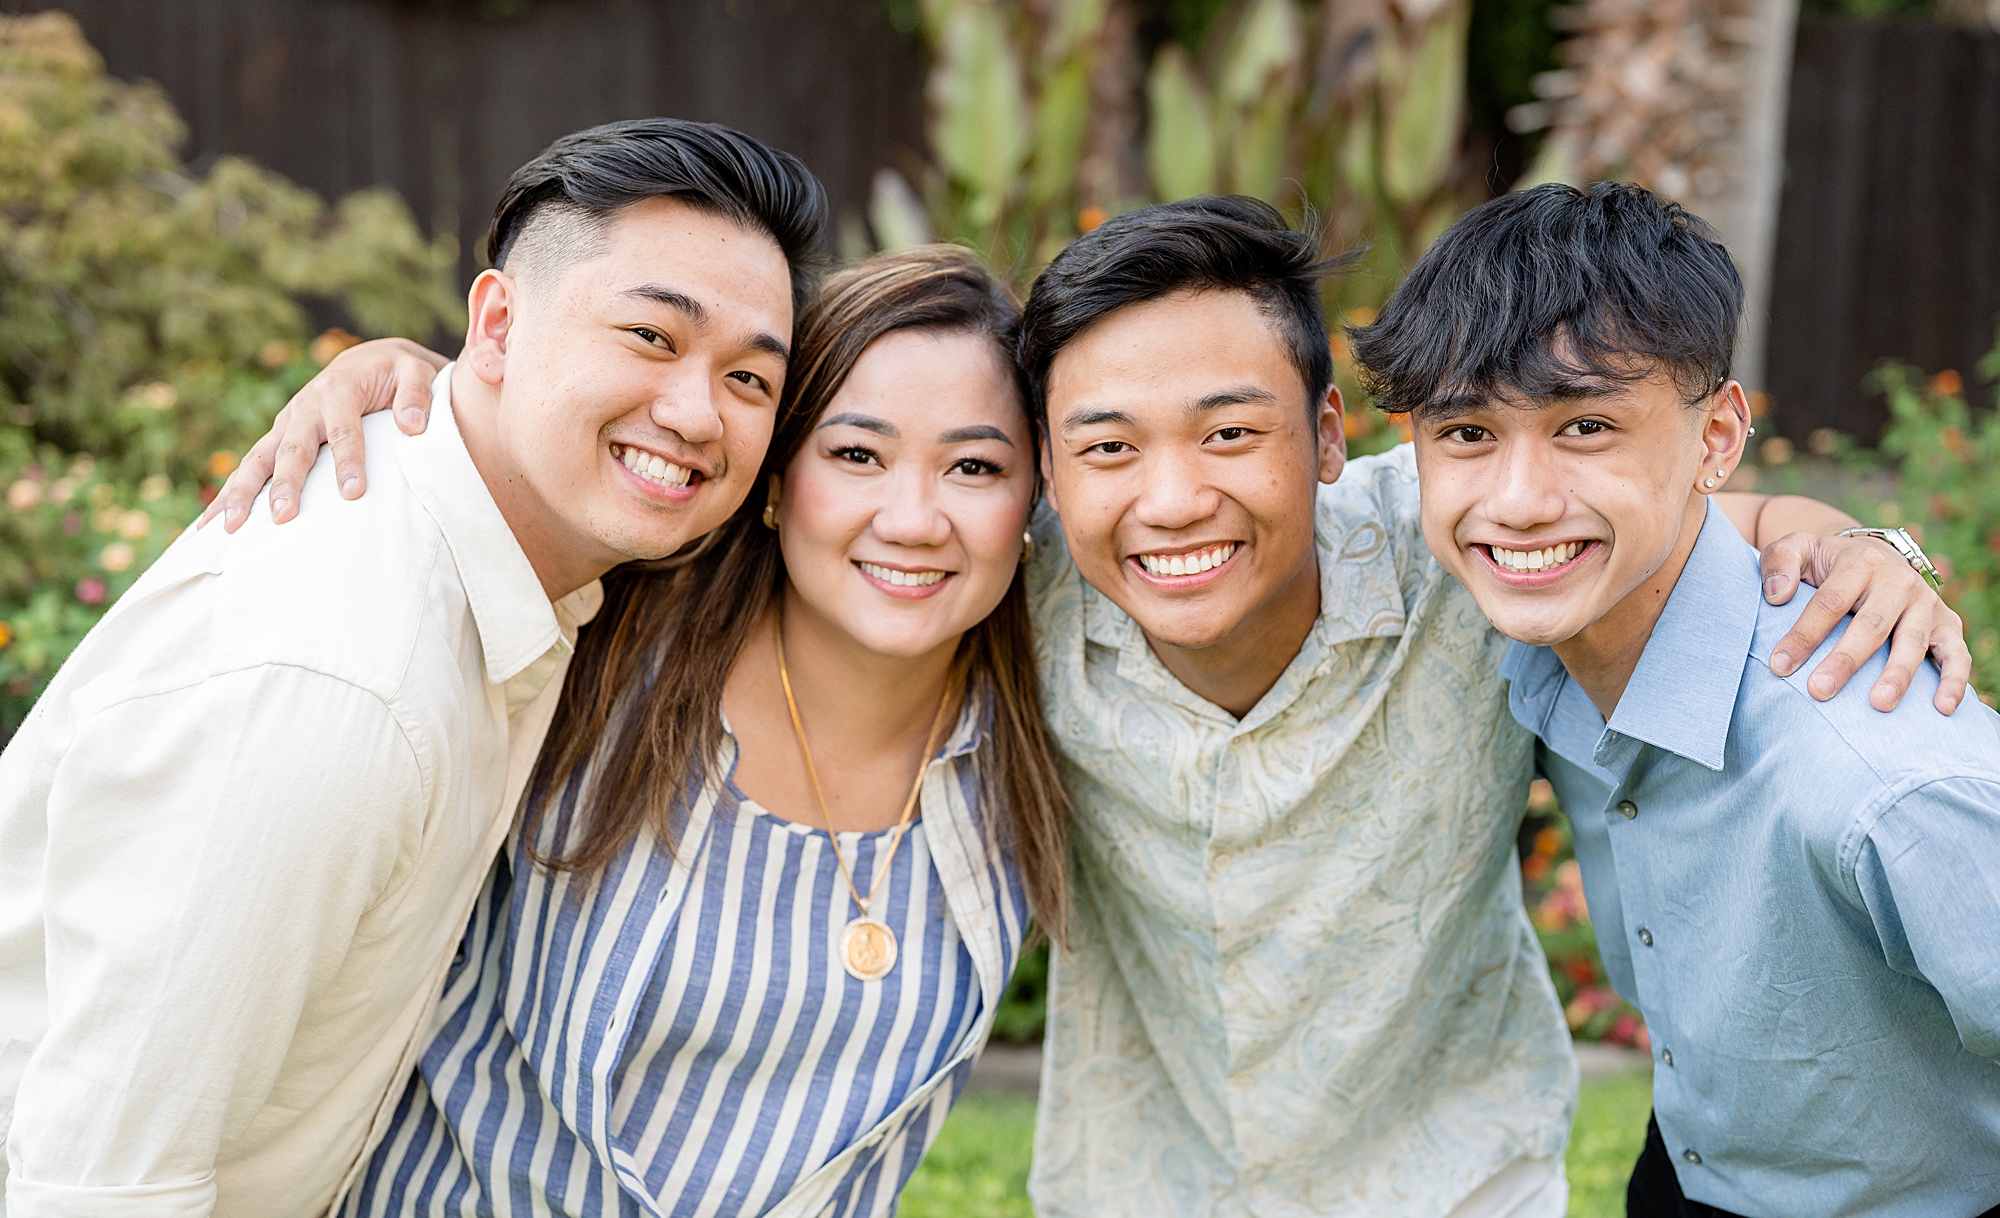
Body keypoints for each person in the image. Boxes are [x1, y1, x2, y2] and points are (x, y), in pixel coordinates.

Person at [220, 198, 1970, 1217]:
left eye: (1230, 434)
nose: (1175, 498)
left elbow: (1617, 518)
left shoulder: (1451, 555)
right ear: (1048, 474)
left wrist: (1832, 536)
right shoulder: (1006, 590)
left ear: (1331, 440)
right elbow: (711, 476)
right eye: (1105, 449)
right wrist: (428, 387)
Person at [0, 118, 824, 1216]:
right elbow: (100, 1185)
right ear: (496, 321)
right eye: (650, 338)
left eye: (750, 379)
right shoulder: (342, 679)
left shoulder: (531, 568)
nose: (695, 412)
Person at [342, 245, 1065, 1215]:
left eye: (973, 465)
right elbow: (498, 469)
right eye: (856, 454)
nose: (913, 516)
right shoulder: (608, 636)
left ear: (1034, 498)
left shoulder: (1046, 725)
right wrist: (394, 378)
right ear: (774, 474)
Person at [1352, 182, 2000, 1218]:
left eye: (1585, 426)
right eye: (1466, 431)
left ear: (1716, 436)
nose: (1516, 501)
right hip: (1692, 1167)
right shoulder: (1547, 628)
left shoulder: (1879, 779)